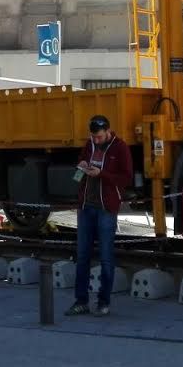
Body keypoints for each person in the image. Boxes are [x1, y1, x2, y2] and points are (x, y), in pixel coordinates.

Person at [65, 115, 132, 318]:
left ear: (108, 132)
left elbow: (126, 177)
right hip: (86, 207)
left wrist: (101, 174)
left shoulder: (120, 147)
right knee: (83, 256)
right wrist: (82, 167)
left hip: (106, 209)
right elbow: (80, 167)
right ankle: (81, 301)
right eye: (93, 137)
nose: (96, 140)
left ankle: (104, 302)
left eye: (99, 137)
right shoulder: (89, 145)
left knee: (105, 257)